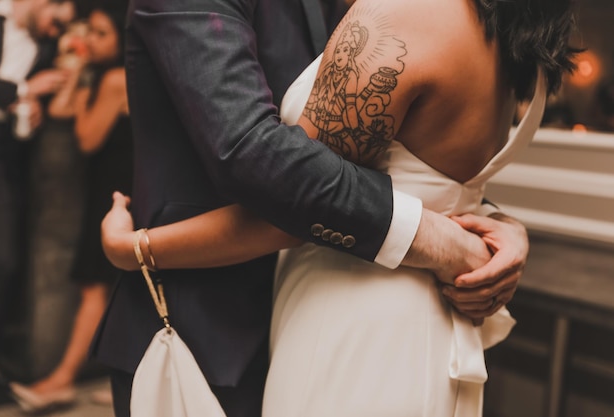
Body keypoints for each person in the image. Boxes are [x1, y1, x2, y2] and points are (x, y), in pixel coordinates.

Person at [93, 0, 549, 416]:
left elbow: (394, 143)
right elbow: (255, 155)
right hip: (206, 329)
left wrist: (489, 219)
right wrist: (438, 236)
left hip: (345, 320)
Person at [8, 2, 130, 412]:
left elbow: (87, 139)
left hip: (117, 190)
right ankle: (119, 379)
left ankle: (60, 380)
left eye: (100, 34)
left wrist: (80, 89)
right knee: (109, 286)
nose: (89, 41)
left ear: (119, 38)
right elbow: (60, 110)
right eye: (88, 32)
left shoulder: (116, 78)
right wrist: (77, 74)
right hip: (103, 188)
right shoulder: (99, 75)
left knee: (96, 286)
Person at [0, 0, 75, 369]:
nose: (56, 30)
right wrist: (25, 89)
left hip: (2, 156)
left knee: (3, 260)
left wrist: (31, 107)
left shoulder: (47, 46)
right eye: (57, 20)